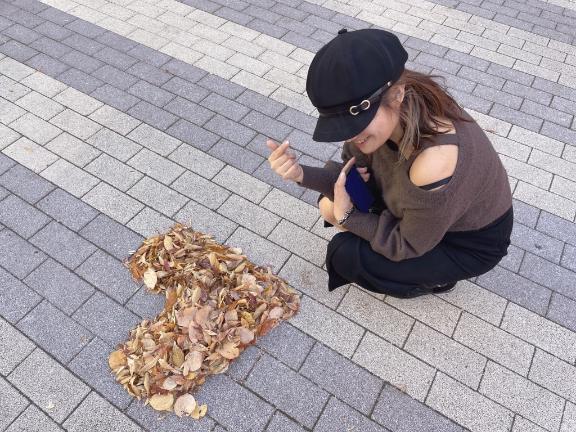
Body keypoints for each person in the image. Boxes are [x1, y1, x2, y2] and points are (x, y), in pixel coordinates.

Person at [266, 28, 513, 298]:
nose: (349, 135)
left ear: (396, 94)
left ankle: (432, 280)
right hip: (427, 214)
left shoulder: (433, 163)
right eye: (340, 125)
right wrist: (300, 174)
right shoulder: (399, 102)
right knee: (329, 206)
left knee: (346, 253)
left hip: (466, 241)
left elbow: (406, 243)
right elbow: (352, 174)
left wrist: (350, 217)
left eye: (355, 122)